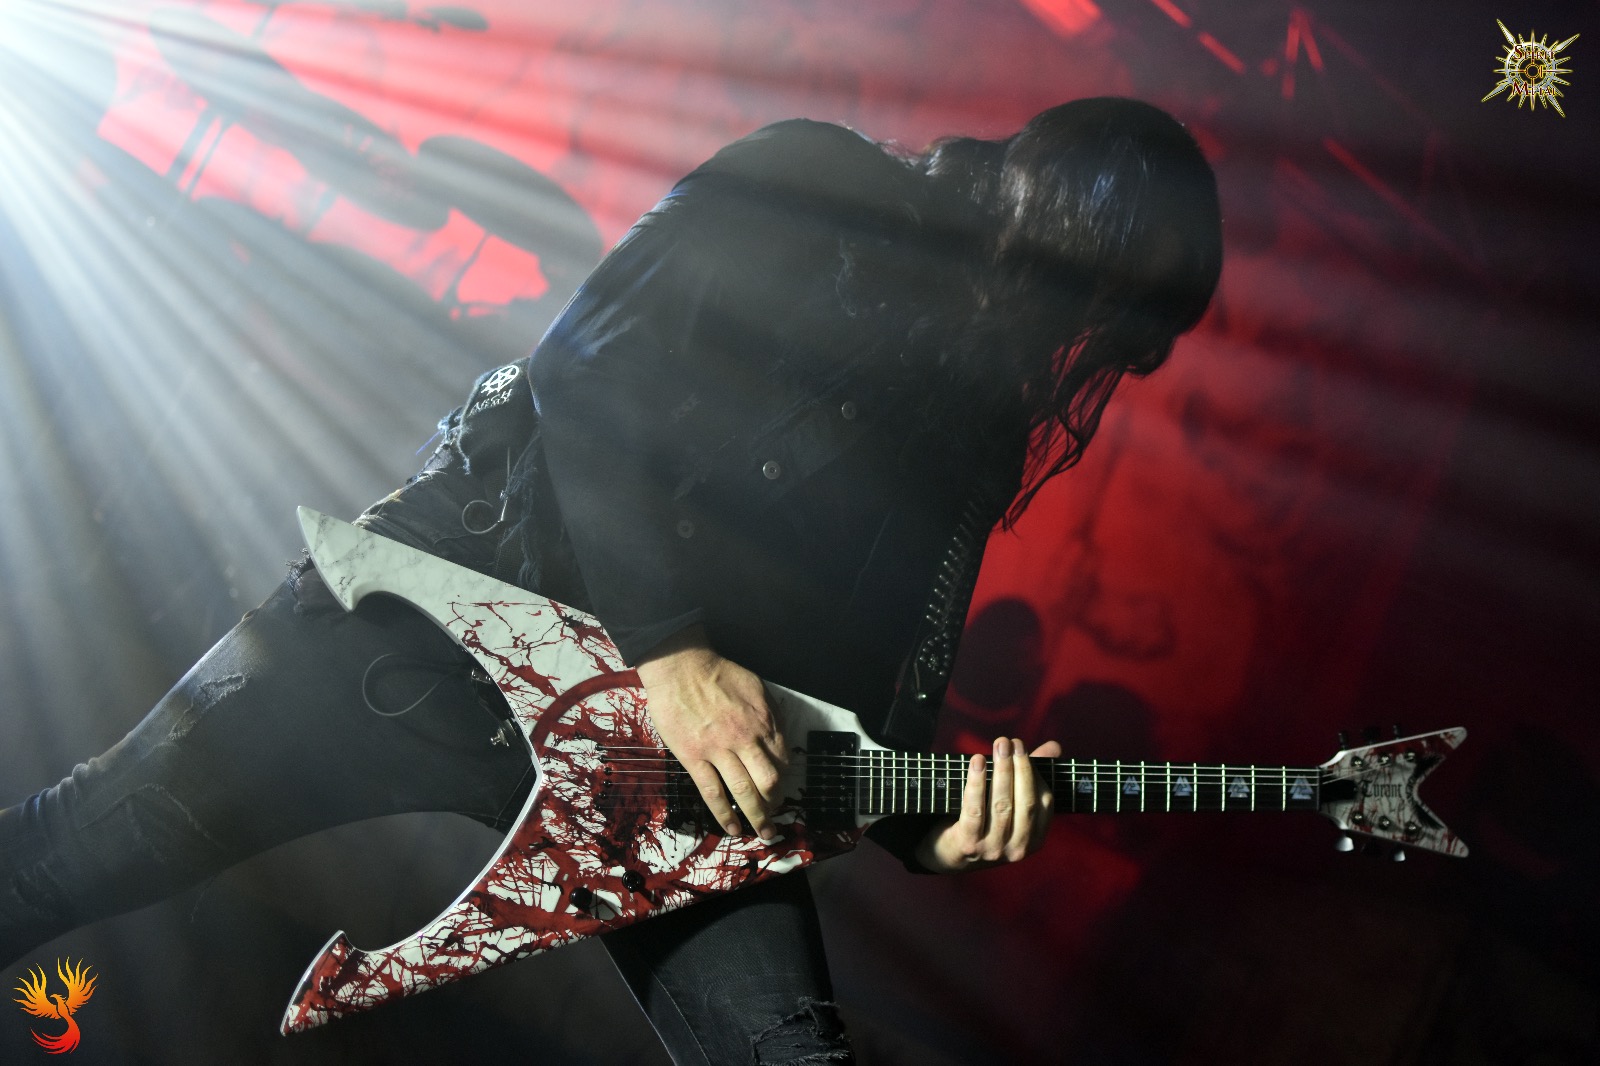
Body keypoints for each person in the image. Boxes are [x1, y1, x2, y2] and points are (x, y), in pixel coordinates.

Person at [0, 97, 1222, 1063]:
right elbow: (586, 367)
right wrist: (674, 653)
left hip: (663, 788)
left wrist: (929, 824)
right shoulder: (818, 178)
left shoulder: (977, 438)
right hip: (435, 631)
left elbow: (863, 690)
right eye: (1098, 294)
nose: (1081, 344)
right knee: (76, 853)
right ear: (1059, 221)